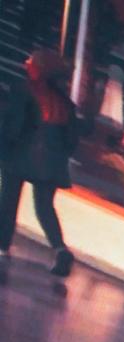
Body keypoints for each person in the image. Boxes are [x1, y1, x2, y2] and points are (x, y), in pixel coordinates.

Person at [0, 49, 79, 276]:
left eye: (31, 60)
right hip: (52, 161)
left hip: (21, 154)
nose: (26, 62)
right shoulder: (65, 102)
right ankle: (60, 249)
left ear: (39, 67)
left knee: (8, 201)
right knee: (44, 207)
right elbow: (72, 139)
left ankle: (2, 245)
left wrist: (4, 147)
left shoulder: (23, 89)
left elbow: (13, 125)